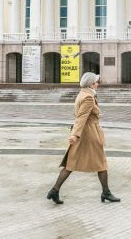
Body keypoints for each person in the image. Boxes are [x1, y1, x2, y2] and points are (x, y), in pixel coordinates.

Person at [47, 72, 120, 204]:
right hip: (89, 134)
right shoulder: (88, 97)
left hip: (84, 133)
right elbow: (81, 117)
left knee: (71, 163)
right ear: (91, 84)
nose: (98, 84)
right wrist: (75, 134)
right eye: (96, 82)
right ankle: (106, 193)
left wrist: (75, 134)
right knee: (101, 163)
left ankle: (54, 190)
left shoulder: (82, 94)